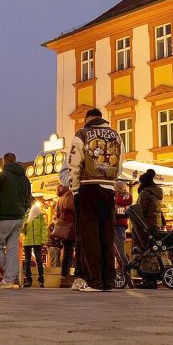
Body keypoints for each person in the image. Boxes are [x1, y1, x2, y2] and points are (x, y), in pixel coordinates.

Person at [67, 108, 124, 292]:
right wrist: (111, 180)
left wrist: (75, 189)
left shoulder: (82, 134)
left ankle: (94, 281)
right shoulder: (116, 135)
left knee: (89, 236)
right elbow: (120, 164)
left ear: (88, 119)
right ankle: (109, 280)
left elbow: (74, 163)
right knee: (107, 235)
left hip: (88, 187)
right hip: (109, 188)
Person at [0, 152, 33, 289]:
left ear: (4, 162)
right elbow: (28, 198)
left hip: (4, 216)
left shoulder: (1, 175)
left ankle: (11, 273)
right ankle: (10, 278)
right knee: (12, 248)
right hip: (19, 217)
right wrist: (23, 210)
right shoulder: (24, 179)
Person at [133, 169, 164, 289]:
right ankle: (153, 279)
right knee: (152, 251)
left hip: (146, 226)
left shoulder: (145, 193)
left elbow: (141, 210)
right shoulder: (157, 192)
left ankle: (148, 279)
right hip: (155, 225)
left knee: (145, 250)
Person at [54, 183, 78, 287]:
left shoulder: (60, 196)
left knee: (67, 252)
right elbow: (71, 208)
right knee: (70, 253)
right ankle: (66, 277)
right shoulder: (69, 195)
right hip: (70, 227)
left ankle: (64, 276)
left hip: (64, 227)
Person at [21, 201, 47, 287]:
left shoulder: (39, 215)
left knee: (39, 260)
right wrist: (23, 226)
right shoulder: (24, 215)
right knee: (27, 261)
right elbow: (21, 230)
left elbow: (43, 227)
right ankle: (29, 280)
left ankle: (41, 280)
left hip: (37, 240)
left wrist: (43, 239)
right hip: (27, 240)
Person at [113, 181, 132, 274]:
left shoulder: (120, 197)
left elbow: (118, 205)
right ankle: (124, 269)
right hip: (121, 225)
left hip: (118, 224)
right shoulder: (127, 197)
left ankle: (126, 269)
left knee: (119, 249)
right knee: (119, 248)